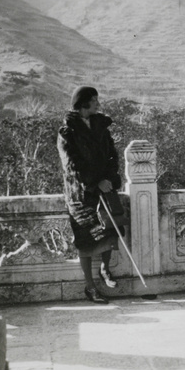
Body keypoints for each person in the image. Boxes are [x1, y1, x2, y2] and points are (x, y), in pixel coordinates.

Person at [57, 86, 122, 304]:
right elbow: (72, 166)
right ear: (84, 103)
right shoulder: (67, 132)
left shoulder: (101, 126)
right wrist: (95, 183)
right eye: (94, 101)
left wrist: (110, 180)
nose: (98, 104)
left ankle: (105, 268)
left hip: (104, 187)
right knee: (85, 240)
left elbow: (112, 156)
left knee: (110, 230)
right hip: (80, 193)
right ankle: (90, 287)